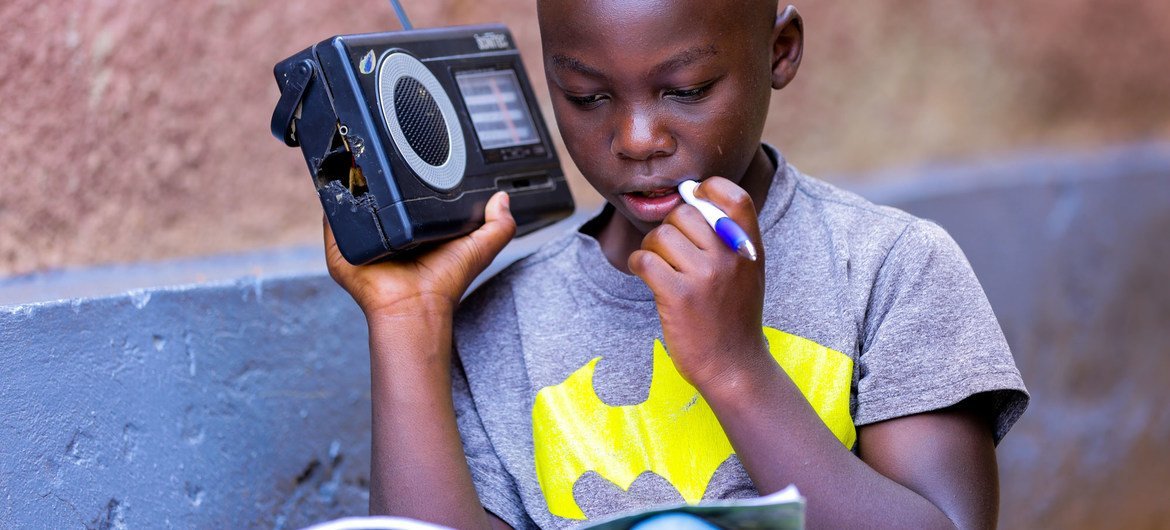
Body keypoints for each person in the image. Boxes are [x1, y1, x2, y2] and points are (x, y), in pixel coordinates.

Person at [323, 1, 1029, 529]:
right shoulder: (501, 324)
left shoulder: (889, 269)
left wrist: (733, 367)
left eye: (686, 89)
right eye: (587, 96)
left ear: (780, 51)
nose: (637, 139)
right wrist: (407, 323)